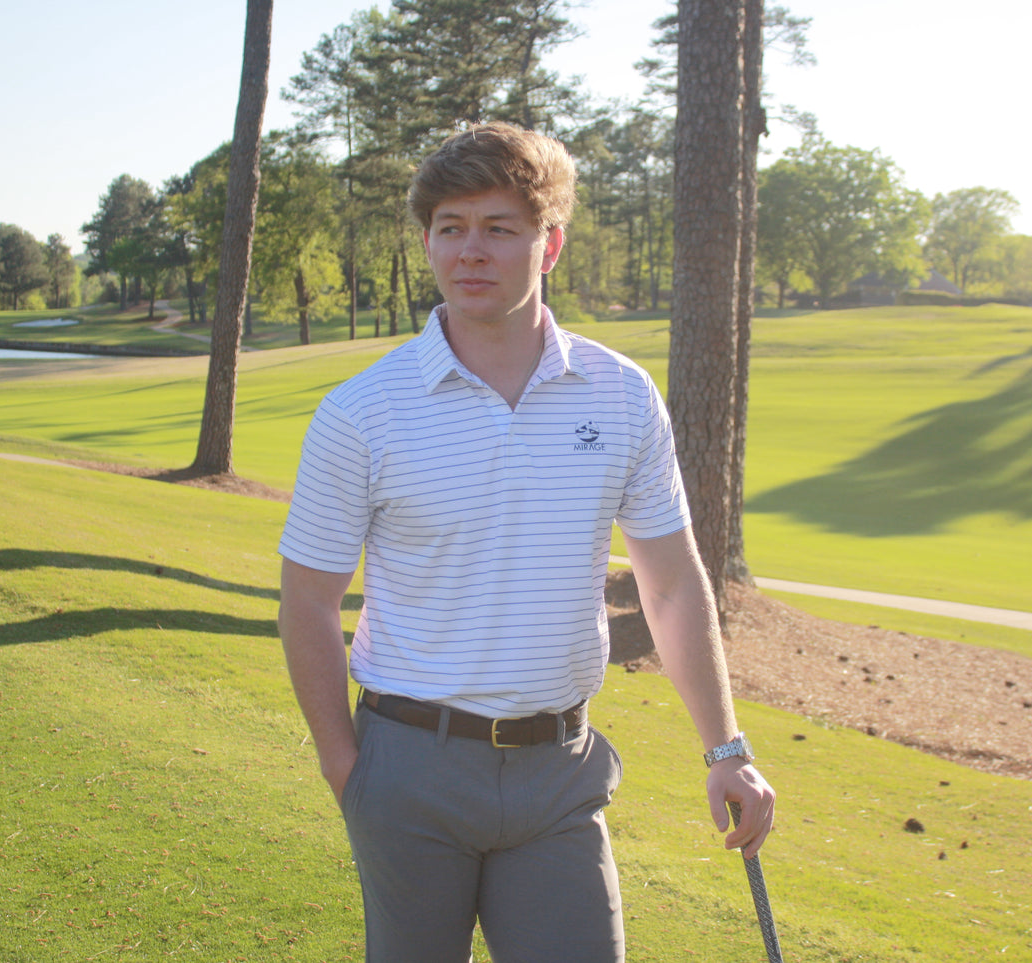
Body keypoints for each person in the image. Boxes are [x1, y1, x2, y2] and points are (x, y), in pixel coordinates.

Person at [277, 122, 775, 963]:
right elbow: (308, 602)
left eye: (499, 228)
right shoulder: (363, 410)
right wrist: (345, 768)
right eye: (450, 228)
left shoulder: (620, 392)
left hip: (559, 772)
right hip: (408, 768)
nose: (469, 250)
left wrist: (726, 747)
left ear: (548, 245)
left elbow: (671, 584)